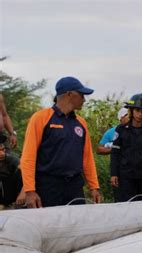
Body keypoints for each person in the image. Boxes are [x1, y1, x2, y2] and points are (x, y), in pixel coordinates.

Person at [20, 76, 101, 208]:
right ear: (69, 94)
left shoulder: (81, 123)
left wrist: (94, 187)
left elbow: (87, 158)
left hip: (74, 186)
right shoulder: (41, 118)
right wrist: (29, 191)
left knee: (77, 224)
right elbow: (28, 157)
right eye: (81, 94)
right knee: (49, 226)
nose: (84, 99)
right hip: (48, 185)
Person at [110, 94, 142, 202]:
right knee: (126, 207)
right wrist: (113, 174)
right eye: (137, 110)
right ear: (131, 110)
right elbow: (115, 153)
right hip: (126, 177)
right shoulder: (121, 130)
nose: (140, 114)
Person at [0, 135, 24, 208]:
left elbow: (23, 167)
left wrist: (7, 157)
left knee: (20, 170)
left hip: (13, 199)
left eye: (2, 148)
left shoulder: (10, 159)